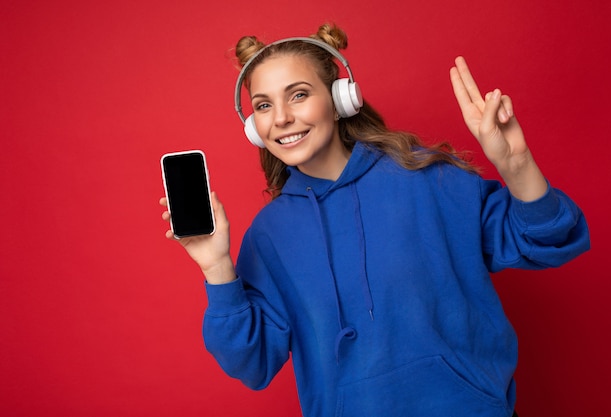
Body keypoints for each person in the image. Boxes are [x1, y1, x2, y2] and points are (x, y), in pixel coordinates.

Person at [159, 23, 589, 417]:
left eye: (299, 94)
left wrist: (515, 164)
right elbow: (251, 363)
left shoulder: (428, 178)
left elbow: (548, 238)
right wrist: (217, 269)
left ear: (341, 98)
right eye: (264, 105)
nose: (282, 118)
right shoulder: (268, 237)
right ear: (253, 125)